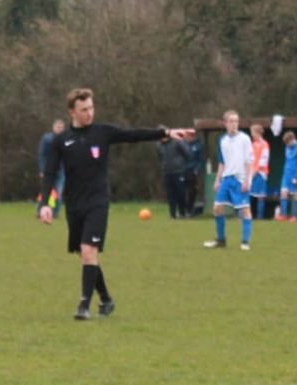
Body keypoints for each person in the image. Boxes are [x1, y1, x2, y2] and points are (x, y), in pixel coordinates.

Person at [39, 88, 189, 320]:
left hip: (98, 201)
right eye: (84, 109)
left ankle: (84, 306)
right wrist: (45, 204)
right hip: (74, 203)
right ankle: (106, 300)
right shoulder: (61, 141)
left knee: (89, 250)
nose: (89, 113)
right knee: (86, 255)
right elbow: (50, 173)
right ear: (72, 112)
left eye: (91, 108)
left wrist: (165, 132)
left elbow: (133, 135)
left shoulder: (103, 132)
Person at [203, 110, 253, 251]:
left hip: (240, 179)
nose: (234, 124)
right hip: (226, 179)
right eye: (231, 121)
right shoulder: (222, 140)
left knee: (245, 210)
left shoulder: (244, 139)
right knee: (217, 208)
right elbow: (222, 162)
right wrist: (217, 180)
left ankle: (245, 242)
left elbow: (249, 161)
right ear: (225, 123)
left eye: (236, 121)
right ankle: (221, 240)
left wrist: (247, 180)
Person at [157, 131, 190, 219]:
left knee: (180, 193)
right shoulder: (159, 145)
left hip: (178, 171)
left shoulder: (177, 142)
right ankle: (172, 214)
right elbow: (160, 158)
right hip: (167, 172)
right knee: (170, 195)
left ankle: (182, 213)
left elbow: (187, 153)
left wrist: (181, 165)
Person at [276, 131, 297, 222]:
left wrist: (296, 177)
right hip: (286, 174)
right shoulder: (287, 147)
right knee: (283, 194)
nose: (287, 145)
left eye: (288, 143)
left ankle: (294, 216)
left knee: (295, 195)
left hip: (295, 175)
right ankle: (283, 215)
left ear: (292, 139)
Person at [37, 119, 65, 218]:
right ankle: (40, 211)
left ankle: (55, 213)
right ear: (53, 128)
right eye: (58, 127)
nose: (59, 129)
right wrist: (42, 169)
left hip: (61, 170)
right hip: (48, 170)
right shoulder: (47, 139)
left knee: (59, 192)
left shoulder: (66, 139)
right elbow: (42, 155)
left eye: (61, 127)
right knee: (45, 192)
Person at [250, 124, 270, 219]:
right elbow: (251, 159)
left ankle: (260, 217)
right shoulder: (253, 144)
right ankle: (249, 216)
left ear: (257, 133)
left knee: (260, 196)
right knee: (250, 195)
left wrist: (255, 171)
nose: (252, 135)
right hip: (252, 173)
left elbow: (263, 160)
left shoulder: (264, 144)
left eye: (252, 132)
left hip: (261, 174)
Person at [183, 129, 204, 216]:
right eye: (187, 135)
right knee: (182, 191)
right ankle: (183, 209)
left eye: (190, 135)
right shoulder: (182, 145)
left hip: (192, 171)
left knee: (192, 191)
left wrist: (196, 169)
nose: (188, 137)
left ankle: (190, 209)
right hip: (182, 170)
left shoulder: (198, 146)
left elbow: (200, 159)